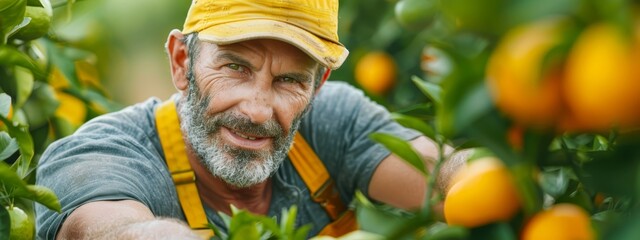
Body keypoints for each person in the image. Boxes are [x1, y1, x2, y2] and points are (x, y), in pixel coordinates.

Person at [35, 0, 467, 239]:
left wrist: (493, 175)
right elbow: (110, 231)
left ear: (317, 88)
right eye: (235, 68)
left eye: (289, 80)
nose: (258, 110)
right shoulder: (101, 154)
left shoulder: (335, 121)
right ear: (182, 60)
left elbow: (441, 174)